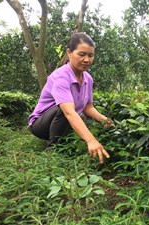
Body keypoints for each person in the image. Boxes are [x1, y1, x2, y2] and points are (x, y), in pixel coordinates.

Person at [28, 32, 112, 164]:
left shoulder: (88, 78)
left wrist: (105, 121)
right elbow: (69, 112)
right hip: (41, 125)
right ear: (69, 53)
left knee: (89, 121)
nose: (87, 60)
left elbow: (87, 107)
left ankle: (70, 146)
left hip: (63, 122)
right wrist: (91, 140)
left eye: (90, 55)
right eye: (82, 54)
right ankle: (53, 151)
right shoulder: (60, 77)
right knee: (65, 110)